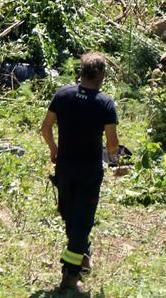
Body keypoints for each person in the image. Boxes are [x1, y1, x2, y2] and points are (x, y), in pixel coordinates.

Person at [40, 52, 119, 291]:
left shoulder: (63, 95)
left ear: (81, 72)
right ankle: (70, 275)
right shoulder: (105, 103)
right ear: (101, 75)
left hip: (64, 166)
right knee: (81, 220)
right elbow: (112, 143)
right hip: (89, 170)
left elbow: (45, 128)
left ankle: (82, 254)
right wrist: (113, 154)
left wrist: (54, 149)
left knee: (70, 215)